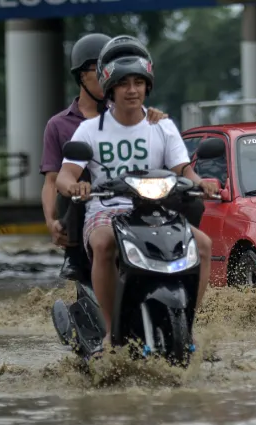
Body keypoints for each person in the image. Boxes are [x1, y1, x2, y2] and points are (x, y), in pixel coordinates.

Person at [55, 35, 219, 350]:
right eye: (124, 83)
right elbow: (65, 175)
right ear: (110, 88)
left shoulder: (162, 126)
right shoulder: (89, 130)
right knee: (102, 243)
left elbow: (184, 170)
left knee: (203, 245)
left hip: (157, 210)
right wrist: (75, 185)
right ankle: (109, 332)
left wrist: (202, 183)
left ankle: (188, 325)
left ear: (147, 86)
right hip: (107, 209)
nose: (132, 90)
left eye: (138, 83)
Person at [40, 33, 169, 280]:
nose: (108, 75)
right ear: (81, 75)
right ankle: (75, 256)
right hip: (87, 206)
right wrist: (51, 222)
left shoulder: (133, 116)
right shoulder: (59, 125)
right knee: (71, 190)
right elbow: (52, 180)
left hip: (134, 200)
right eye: (98, 68)